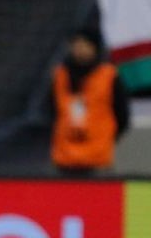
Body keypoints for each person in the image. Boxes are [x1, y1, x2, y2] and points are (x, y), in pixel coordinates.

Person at [48, 26, 131, 176]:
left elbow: (122, 117)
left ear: (95, 48)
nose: (80, 49)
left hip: (97, 160)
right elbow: (51, 112)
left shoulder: (109, 76)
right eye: (76, 44)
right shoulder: (60, 76)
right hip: (64, 160)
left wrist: (105, 139)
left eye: (85, 45)